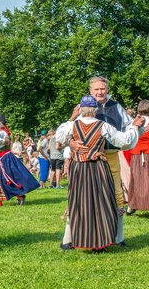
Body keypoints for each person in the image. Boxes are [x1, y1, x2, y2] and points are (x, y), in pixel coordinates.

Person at [57, 95, 142, 251]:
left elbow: (60, 137)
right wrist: (133, 127)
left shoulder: (72, 126)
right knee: (101, 202)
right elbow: (123, 141)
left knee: (78, 202)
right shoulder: (103, 126)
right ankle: (99, 241)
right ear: (95, 110)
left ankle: (72, 240)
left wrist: (72, 129)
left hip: (79, 168)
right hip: (98, 168)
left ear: (81, 109)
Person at [69, 76, 134, 246]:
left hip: (110, 154)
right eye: (96, 89)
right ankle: (71, 237)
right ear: (90, 90)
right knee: (82, 196)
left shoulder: (116, 107)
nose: (100, 92)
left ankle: (119, 237)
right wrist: (73, 144)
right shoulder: (84, 107)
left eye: (102, 89)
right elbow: (69, 132)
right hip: (88, 158)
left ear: (107, 89)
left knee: (117, 195)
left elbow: (128, 126)